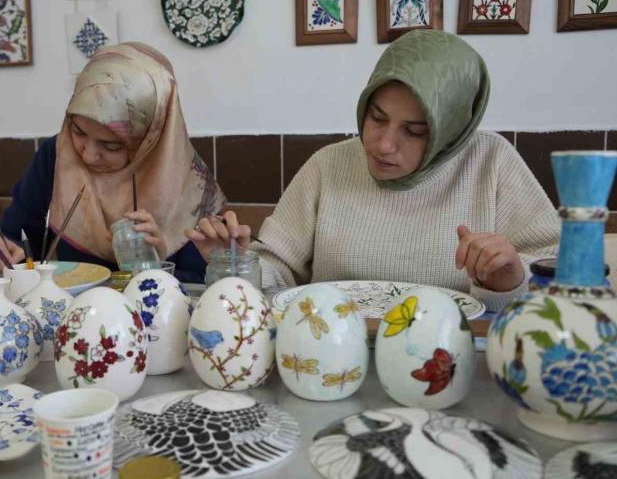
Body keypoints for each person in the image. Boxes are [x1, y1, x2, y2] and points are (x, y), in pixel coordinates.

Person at [186, 30, 559, 310]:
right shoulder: (329, 165)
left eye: (414, 131)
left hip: (455, 366)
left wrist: (511, 278)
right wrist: (237, 265)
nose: (382, 144)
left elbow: (558, 272)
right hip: (330, 357)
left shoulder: (491, 163)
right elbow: (278, 272)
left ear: (451, 132)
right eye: (376, 118)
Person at [0, 43, 225, 283]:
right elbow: (18, 239)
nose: (88, 156)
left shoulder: (186, 181)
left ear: (151, 139)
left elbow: (201, 284)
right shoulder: (57, 155)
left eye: (111, 146)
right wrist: (0, 246)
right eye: (78, 131)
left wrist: (158, 264)